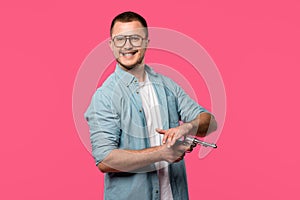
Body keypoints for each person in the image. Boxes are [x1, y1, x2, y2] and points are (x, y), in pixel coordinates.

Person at [84, 11, 217, 200]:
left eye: (135, 38)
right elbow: (105, 160)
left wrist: (188, 126)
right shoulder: (104, 96)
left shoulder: (168, 86)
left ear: (147, 41)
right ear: (111, 45)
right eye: (120, 39)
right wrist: (162, 153)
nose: (127, 46)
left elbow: (210, 122)